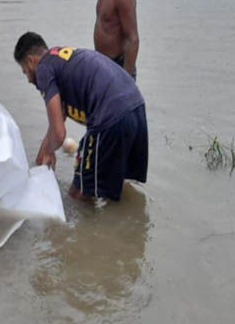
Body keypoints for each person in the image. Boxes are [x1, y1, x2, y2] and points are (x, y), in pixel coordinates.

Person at [13, 31, 147, 202]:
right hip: (136, 106)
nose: (28, 79)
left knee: (78, 195)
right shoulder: (60, 61)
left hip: (110, 115)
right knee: (117, 187)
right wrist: (43, 153)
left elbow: (59, 134)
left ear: (31, 60)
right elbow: (58, 119)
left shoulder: (44, 69)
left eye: (25, 71)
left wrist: (49, 151)